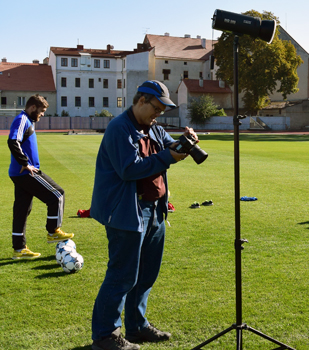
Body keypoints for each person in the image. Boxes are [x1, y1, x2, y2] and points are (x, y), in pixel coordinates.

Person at [90, 80, 197, 350]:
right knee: (121, 275)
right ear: (141, 101)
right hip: (127, 212)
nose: (158, 114)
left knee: (147, 273)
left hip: (154, 210)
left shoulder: (154, 128)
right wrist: (168, 157)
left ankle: (136, 327)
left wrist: (186, 143)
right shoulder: (119, 128)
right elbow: (129, 169)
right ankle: (105, 336)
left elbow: (169, 146)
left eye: (162, 110)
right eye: (156, 108)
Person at [8, 94, 74, 260]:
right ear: (32, 108)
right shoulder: (22, 119)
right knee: (57, 194)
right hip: (27, 172)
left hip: (19, 174)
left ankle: (19, 249)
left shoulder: (28, 121)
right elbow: (12, 141)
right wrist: (24, 162)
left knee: (22, 210)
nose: (42, 114)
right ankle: (53, 231)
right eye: (41, 111)